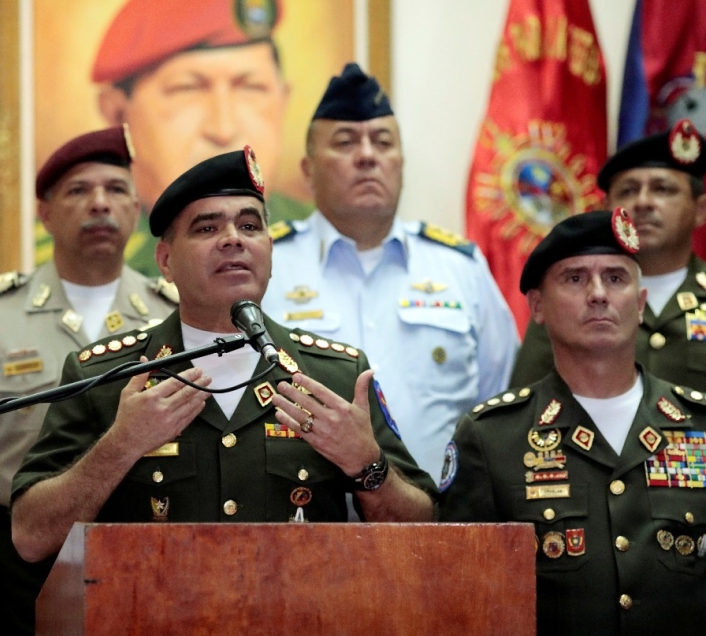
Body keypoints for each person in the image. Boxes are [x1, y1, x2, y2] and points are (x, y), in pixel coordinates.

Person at [10, 147, 437, 565]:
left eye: (250, 226)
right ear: (166, 260)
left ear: (270, 253)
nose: (233, 239)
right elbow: (31, 538)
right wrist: (121, 446)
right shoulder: (103, 377)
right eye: (207, 229)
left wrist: (367, 465)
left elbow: (426, 535)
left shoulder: (336, 376)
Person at [0, 126, 177, 635]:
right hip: (19, 554)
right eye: (79, 190)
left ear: (136, 212)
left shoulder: (173, 316)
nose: (100, 204)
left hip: (143, 540)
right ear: (44, 213)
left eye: (116, 190)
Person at [438, 209, 706, 635]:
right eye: (576, 278)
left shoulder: (699, 424)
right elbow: (463, 596)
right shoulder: (492, 438)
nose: (598, 293)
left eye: (616, 278)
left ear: (639, 305)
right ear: (538, 306)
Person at [262, 62, 519, 482]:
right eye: (345, 142)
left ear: (401, 163)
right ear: (308, 171)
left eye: (382, 143)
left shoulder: (461, 269)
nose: (367, 156)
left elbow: (502, 405)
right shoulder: (268, 268)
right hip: (302, 525)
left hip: (440, 523)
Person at [69, 0, 308, 275]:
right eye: (188, 89)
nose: (223, 130)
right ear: (117, 114)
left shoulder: (326, 240)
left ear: (283, 101)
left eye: (251, 89)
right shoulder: (65, 255)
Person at [511, 119, 706, 389]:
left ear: (700, 210)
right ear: (607, 207)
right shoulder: (566, 297)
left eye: (662, 189)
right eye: (628, 190)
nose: (643, 202)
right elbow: (528, 407)